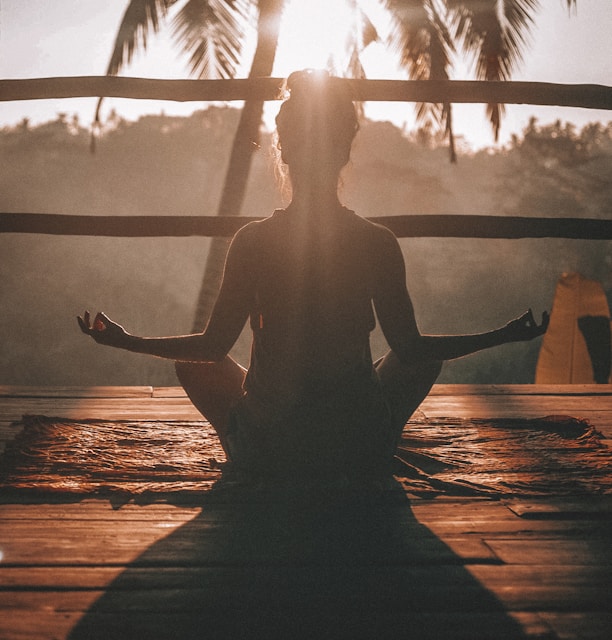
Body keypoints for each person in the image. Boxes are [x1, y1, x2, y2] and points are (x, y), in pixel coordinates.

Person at [78, 69, 548, 483]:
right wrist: (502, 335)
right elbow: (412, 349)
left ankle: (245, 450)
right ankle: (373, 440)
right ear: (344, 153)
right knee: (421, 358)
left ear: (283, 152)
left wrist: (128, 340)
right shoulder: (376, 241)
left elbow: (211, 348)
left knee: (193, 364)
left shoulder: (254, 240)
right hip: (357, 447)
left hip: (271, 450)